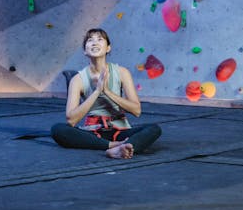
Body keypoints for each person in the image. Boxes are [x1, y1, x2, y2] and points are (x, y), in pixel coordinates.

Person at [51, 28, 161, 159]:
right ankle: (113, 147)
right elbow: (71, 120)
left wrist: (107, 92)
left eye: (100, 39)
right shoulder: (78, 80)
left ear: (108, 48)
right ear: (85, 51)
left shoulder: (122, 72)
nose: (94, 42)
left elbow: (136, 110)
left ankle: (123, 146)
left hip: (120, 130)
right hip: (92, 132)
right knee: (58, 129)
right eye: (90, 40)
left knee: (154, 129)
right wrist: (97, 91)